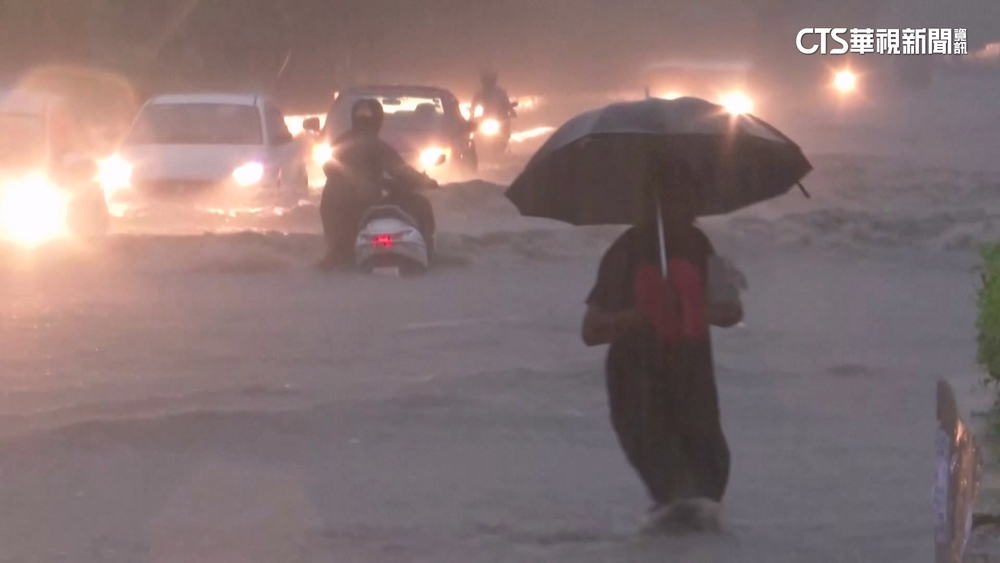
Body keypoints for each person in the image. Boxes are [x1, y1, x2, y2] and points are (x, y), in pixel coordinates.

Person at [581, 158, 744, 531]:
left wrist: (695, 309)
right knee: (673, 484)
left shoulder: (701, 244)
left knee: (711, 475)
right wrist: (642, 315)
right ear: (652, 200)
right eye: (672, 197)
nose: (684, 206)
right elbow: (591, 330)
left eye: (688, 197)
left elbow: (732, 310)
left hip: (691, 377)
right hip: (637, 383)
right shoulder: (625, 251)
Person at [318, 98, 437, 268]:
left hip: (332, 211)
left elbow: (344, 172)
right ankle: (428, 253)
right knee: (421, 204)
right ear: (378, 121)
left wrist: (383, 184)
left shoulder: (341, 143)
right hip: (360, 206)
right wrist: (427, 182)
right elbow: (401, 171)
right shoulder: (375, 145)